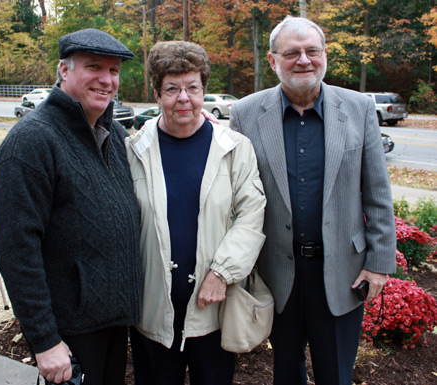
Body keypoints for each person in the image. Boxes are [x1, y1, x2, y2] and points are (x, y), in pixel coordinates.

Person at [229, 16, 397, 385]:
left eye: (312, 51)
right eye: (291, 53)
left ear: (325, 56)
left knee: (336, 375)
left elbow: (378, 192)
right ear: (273, 61)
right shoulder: (244, 113)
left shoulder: (358, 108)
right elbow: (236, 194)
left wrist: (379, 263)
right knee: (285, 375)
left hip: (343, 273)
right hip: (276, 272)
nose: (303, 60)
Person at [0, 28, 142, 385]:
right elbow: (16, 248)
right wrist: (45, 341)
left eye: (114, 71)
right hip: (70, 334)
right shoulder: (31, 142)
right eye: (94, 67)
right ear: (64, 70)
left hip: (113, 322)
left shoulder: (115, 136)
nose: (107, 80)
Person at [125, 40, 266, 385]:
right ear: (157, 94)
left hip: (212, 310)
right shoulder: (133, 151)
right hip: (153, 312)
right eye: (172, 89)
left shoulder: (234, 149)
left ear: (204, 91)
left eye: (193, 87)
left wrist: (222, 273)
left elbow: (251, 214)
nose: (183, 98)